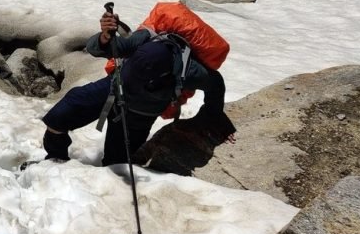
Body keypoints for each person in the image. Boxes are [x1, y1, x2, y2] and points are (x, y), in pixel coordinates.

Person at [39, 9, 233, 165]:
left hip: (140, 114)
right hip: (114, 89)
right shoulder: (142, 39)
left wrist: (212, 117)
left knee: (116, 163)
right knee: (59, 117)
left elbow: (216, 84)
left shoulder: (188, 70)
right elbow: (101, 48)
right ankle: (55, 160)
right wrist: (105, 38)